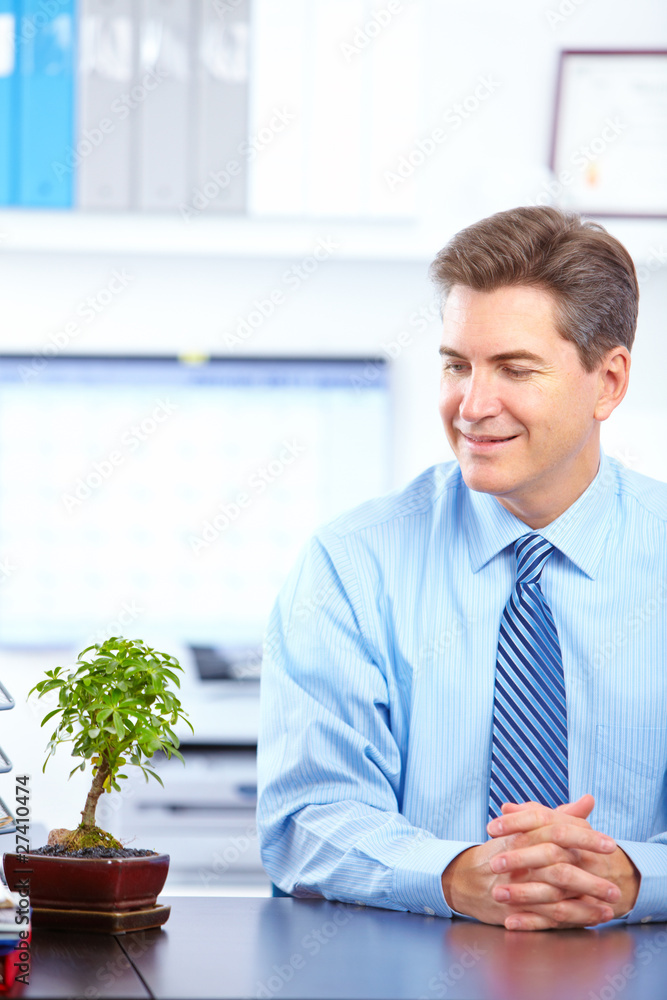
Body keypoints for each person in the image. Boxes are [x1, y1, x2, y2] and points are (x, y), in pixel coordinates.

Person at [256, 206, 667, 931]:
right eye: (456, 365)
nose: (471, 405)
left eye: (514, 369)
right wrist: (457, 874)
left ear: (607, 381)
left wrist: (629, 876)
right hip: (408, 964)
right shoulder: (351, 565)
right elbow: (307, 818)